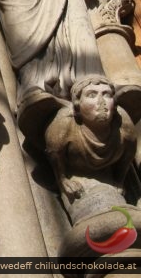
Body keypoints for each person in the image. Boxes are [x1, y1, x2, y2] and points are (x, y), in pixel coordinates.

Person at [45, 76, 136, 204]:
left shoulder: (122, 122)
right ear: (77, 104)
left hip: (108, 175)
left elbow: (129, 153)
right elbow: (54, 153)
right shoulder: (64, 124)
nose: (101, 102)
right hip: (75, 175)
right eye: (91, 95)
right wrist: (63, 180)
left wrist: (120, 180)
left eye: (107, 95)